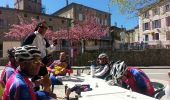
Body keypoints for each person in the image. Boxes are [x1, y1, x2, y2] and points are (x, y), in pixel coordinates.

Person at [22, 21, 56, 92]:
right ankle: (36, 96)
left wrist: (54, 44)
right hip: (34, 64)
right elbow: (23, 48)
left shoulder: (44, 39)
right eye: (41, 27)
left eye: (46, 28)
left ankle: (43, 96)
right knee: (36, 85)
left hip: (42, 63)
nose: (44, 29)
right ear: (38, 27)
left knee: (47, 83)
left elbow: (49, 49)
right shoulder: (32, 36)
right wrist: (33, 59)